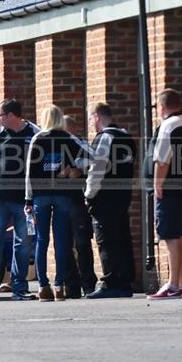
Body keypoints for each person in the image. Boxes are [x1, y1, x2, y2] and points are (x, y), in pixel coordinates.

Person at [0, 98, 40, 301]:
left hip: (23, 199)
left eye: (1, 115)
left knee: (22, 243)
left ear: (12, 115)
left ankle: (19, 287)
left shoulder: (33, 134)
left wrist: (33, 197)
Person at [24, 105, 85, 302]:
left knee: (42, 240)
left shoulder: (37, 139)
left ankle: (43, 286)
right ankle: (59, 285)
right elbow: (92, 156)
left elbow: (29, 173)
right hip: (63, 194)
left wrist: (28, 199)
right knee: (62, 241)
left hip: (41, 195)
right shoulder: (68, 138)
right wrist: (74, 170)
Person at [147, 89, 182, 300]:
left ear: (162, 106)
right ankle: (180, 282)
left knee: (169, 235)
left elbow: (162, 158)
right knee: (178, 235)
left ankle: (172, 285)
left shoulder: (168, 125)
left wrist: (158, 183)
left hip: (169, 186)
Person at [83, 102, 136, 299]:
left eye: (90, 118)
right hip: (123, 195)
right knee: (123, 237)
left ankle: (111, 282)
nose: (91, 122)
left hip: (104, 197)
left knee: (107, 240)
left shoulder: (105, 138)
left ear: (97, 116)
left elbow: (97, 170)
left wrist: (88, 195)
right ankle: (125, 282)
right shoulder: (126, 137)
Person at [62, 114, 98, 298]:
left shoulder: (81, 144)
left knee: (83, 243)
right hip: (60, 201)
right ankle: (72, 286)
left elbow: (94, 161)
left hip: (77, 200)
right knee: (64, 244)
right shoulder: (54, 144)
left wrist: (79, 170)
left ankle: (88, 283)